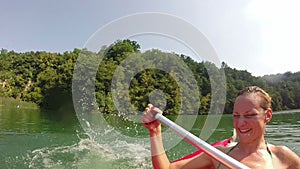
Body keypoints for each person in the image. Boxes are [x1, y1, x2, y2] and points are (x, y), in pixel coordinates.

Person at [142, 86, 300, 169]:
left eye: (250, 115)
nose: (240, 123)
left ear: (268, 115)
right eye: (236, 115)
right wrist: (155, 131)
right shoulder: (218, 155)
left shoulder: (283, 156)